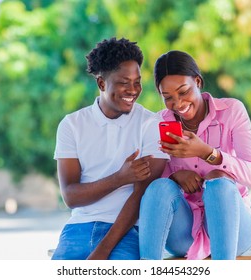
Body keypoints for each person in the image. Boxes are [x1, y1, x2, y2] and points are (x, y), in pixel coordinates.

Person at [51, 37, 169, 260]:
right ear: (101, 84)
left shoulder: (151, 124)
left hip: (126, 231)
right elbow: (71, 196)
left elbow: (142, 195)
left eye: (137, 82)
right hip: (78, 229)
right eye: (124, 82)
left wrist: (102, 251)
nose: (133, 90)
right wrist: (120, 178)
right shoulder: (72, 125)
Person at [139, 50, 251, 260]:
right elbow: (153, 191)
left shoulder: (232, 111)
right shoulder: (159, 123)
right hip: (184, 233)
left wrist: (209, 153)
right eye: (167, 97)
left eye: (183, 91)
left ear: (198, 81)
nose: (177, 103)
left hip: (234, 231)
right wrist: (174, 177)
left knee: (220, 184)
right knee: (158, 187)